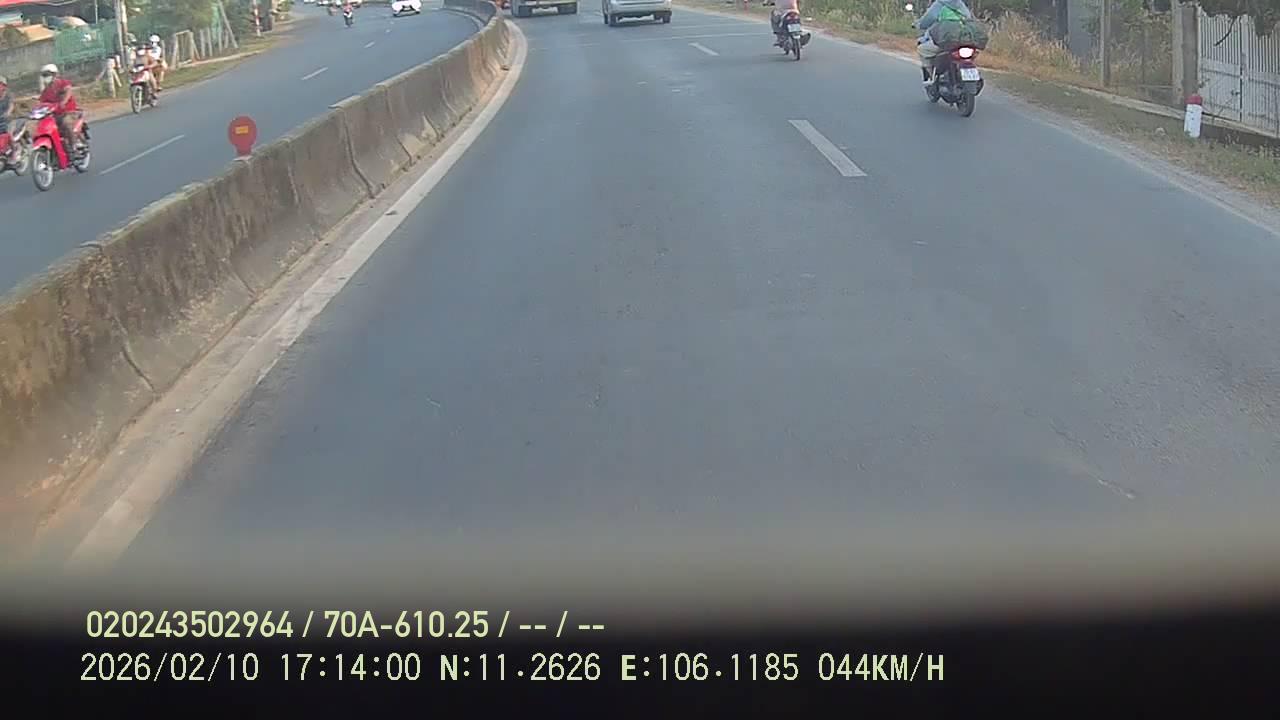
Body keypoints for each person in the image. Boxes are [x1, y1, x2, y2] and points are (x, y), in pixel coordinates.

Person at [913, 0, 973, 85]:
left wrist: (919, 24)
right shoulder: (960, 4)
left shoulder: (939, 4)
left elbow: (927, 20)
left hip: (944, 43)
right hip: (962, 42)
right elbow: (969, 18)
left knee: (922, 49)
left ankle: (930, 77)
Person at [37, 64, 84, 151]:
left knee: (66, 122)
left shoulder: (63, 83)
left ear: (55, 74)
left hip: (69, 112)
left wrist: (63, 102)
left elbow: (68, 91)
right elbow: (41, 103)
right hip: (55, 115)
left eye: (47, 75)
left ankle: (74, 144)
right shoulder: (46, 91)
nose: (46, 77)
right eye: (44, 75)